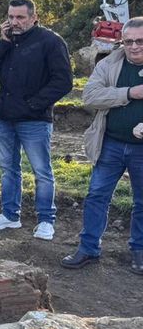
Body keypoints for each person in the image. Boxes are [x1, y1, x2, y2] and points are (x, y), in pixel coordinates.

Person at [0, 0, 73, 240]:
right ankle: (10, 215)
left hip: (35, 119)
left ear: (34, 17)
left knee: (41, 171)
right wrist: (3, 42)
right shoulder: (9, 41)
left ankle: (45, 220)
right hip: (6, 117)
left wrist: (34, 104)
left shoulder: (51, 42)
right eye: (11, 17)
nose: (14, 22)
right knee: (8, 168)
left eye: (20, 17)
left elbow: (63, 81)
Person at [61, 17, 143, 275]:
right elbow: (91, 97)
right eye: (128, 41)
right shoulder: (109, 63)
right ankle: (88, 248)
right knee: (97, 195)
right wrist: (129, 93)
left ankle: (139, 251)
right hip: (111, 143)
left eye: (140, 41)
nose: (134, 47)